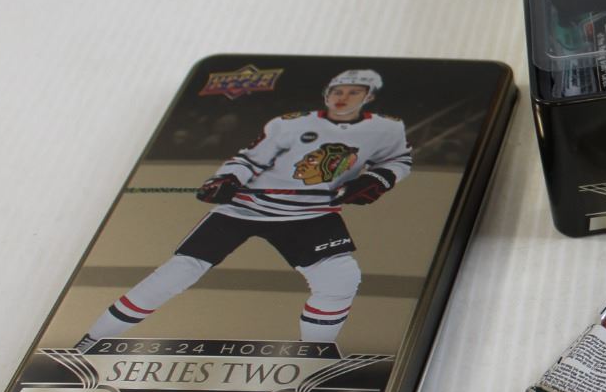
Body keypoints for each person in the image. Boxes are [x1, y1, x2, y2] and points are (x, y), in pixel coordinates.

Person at [78, 69, 412, 351]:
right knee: (178, 272)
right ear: (327, 94)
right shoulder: (289, 124)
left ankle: (314, 353)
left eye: (354, 92)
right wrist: (227, 179)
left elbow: (398, 160)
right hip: (245, 207)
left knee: (341, 278)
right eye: (337, 91)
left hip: (311, 213)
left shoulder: (387, 128)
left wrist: (377, 180)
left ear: (368, 97)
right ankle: (92, 341)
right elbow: (249, 159)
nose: (343, 97)